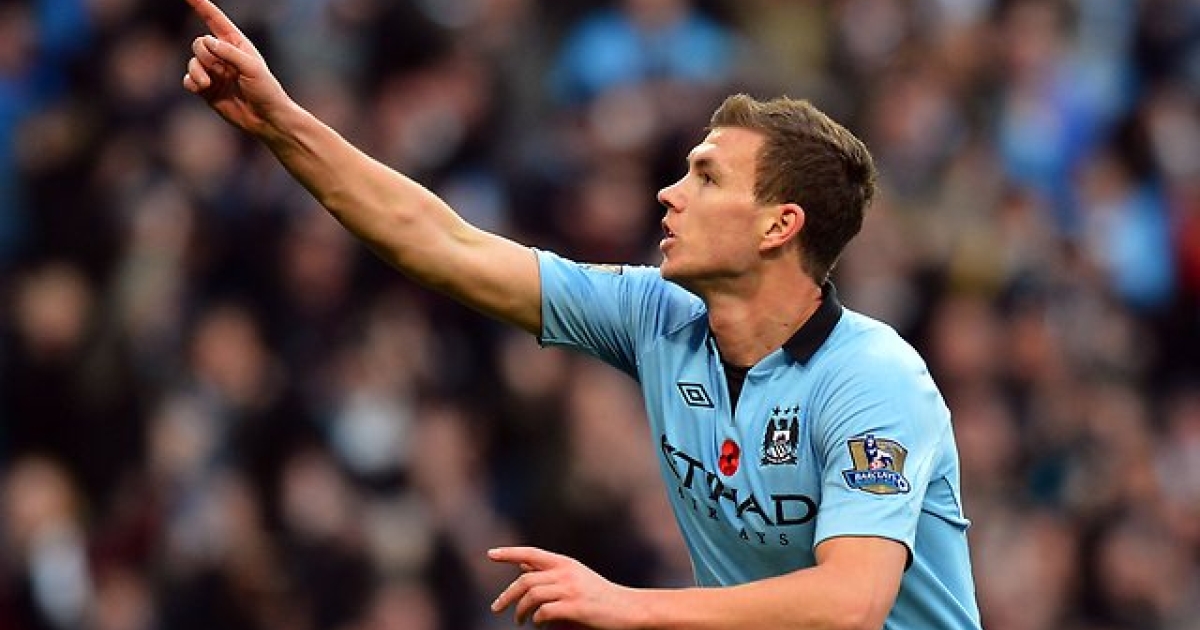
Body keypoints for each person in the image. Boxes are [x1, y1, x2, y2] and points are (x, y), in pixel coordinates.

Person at [180, 1, 983, 628]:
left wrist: (628, 605)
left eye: (706, 178)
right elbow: (441, 243)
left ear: (779, 226)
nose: (669, 192)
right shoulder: (655, 316)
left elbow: (851, 604)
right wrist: (282, 125)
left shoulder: (874, 381)